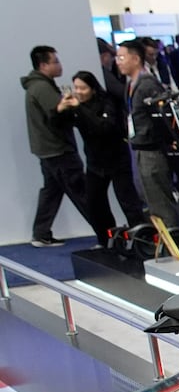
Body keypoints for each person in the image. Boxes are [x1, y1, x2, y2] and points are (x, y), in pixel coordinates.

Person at [21, 45, 92, 247]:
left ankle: (41, 233)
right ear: (43, 65)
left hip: (47, 150)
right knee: (82, 192)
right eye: (55, 61)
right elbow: (57, 114)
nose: (60, 65)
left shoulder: (38, 86)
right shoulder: (42, 88)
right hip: (58, 149)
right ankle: (104, 231)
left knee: (52, 191)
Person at [61, 70, 140, 243]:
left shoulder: (107, 102)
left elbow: (105, 127)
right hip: (95, 163)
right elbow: (59, 124)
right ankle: (106, 239)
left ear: (93, 88)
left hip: (117, 159)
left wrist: (79, 109)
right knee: (95, 204)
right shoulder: (76, 107)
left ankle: (142, 238)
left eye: (83, 88)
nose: (79, 92)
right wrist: (59, 110)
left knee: (128, 201)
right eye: (76, 88)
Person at [118, 38, 179, 230]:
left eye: (122, 57)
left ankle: (172, 237)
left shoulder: (147, 84)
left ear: (136, 59)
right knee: (151, 197)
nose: (118, 61)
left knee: (159, 198)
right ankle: (165, 235)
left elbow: (163, 118)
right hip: (141, 147)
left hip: (153, 150)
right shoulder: (132, 84)